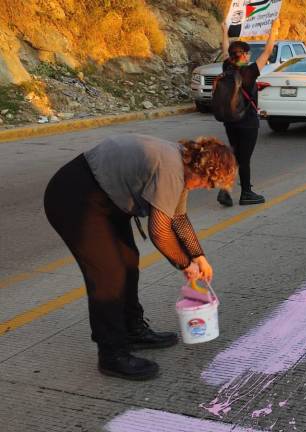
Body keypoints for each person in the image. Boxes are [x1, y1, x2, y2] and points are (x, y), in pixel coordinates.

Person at [44, 134, 237, 380]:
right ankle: (112, 353)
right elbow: (159, 232)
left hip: (107, 198)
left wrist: (199, 256)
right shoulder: (172, 171)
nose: (205, 188)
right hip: (75, 197)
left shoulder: (183, 164)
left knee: (127, 263)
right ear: (201, 169)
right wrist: (185, 264)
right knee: (108, 275)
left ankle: (132, 330)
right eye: (208, 183)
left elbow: (178, 218)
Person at [216, 19, 280, 207]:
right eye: (247, 54)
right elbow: (268, 52)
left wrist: (224, 32)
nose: (249, 56)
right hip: (247, 123)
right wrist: (273, 31)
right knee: (243, 158)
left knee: (235, 154)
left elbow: (225, 49)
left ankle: (226, 190)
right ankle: (245, 193)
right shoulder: (250, 72)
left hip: (230, 121)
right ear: (243, 55)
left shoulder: (227, 67)